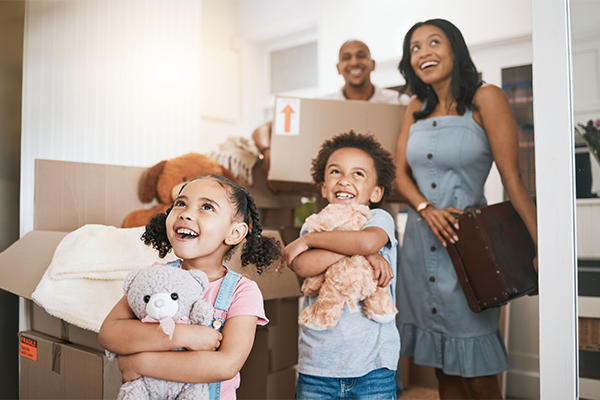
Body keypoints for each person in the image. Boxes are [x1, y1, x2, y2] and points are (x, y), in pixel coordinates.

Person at [394, 19, 538, 400]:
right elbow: (398, 174)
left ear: (455, 49)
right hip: (419, 249)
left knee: (479, 373)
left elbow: (513, 179)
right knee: (443, 368)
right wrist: (425, 208)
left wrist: (542, 245)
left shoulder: (486, 98)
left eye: (434, 42)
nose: (424, 52)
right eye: (415, 47)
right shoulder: (415, 106)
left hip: (469, 248)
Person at [99, 174, 282, 400]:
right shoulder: (155, 276)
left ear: (235, 233)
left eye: (206, 207)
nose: (185, 213)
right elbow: (110, 333)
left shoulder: (242, 292)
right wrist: (184, 334)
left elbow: (226, 364)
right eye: (181, 203)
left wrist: (139, 363)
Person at [279, 131, 401, 399]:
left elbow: (369, 241)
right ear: (323, 187)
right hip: (318, 366)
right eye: (336, 172)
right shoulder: (315, 222)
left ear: (376, 191)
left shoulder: (378, 217)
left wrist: (314, 241)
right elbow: (303, 265)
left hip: (374, 366)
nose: (345, 180)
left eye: (358, 174)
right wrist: (360, 251)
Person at [252, 39, 410, 192]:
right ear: (338, 68)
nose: (354, 62)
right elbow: (261, 130)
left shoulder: (399, 103)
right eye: (346, 58)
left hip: (380, 199)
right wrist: (267, 153)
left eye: (361, 55)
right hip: (331, 197)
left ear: (373, 64)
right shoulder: (323, 105)